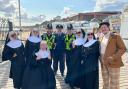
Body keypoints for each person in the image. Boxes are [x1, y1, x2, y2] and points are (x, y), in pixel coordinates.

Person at [99, 22, 126, 89]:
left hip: (113, 61)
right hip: (103, 62)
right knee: (105, 81)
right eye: (102, 28)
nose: (103, 29)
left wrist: (113, 57)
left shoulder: (116, 36)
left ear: (108, 27)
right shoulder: (101, 37)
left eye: (105, 27)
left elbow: (123, 49)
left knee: (114, 82)